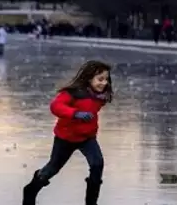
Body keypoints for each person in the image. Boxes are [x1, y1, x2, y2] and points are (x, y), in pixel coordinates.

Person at [22, 60, 113, 205]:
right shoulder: (74, 93)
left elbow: (94, 105)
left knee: (97, 164)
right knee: (52, 169)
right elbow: (55, 106)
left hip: (87, 138)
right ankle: (31, 189)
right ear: (89, 78)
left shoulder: (100, 96)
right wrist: (75, 113)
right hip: (66, 137)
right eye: (100, 79)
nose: (104, 83)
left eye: (106, 79)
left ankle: (91, 202)